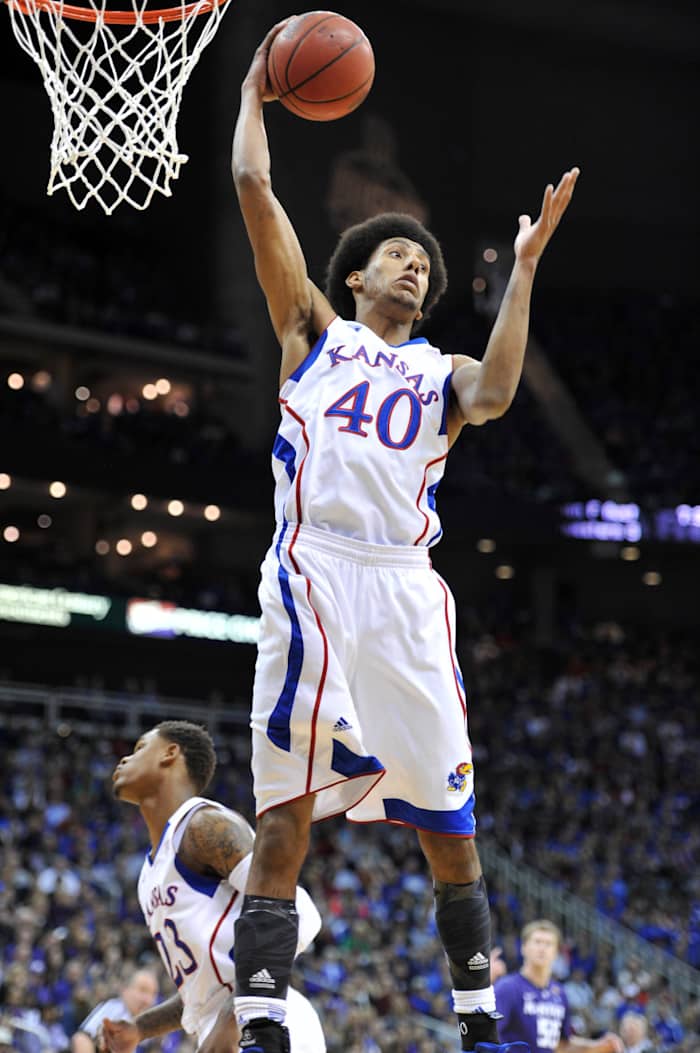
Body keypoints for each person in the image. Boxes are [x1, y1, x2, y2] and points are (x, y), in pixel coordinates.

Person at [231, 18, 581, 1053]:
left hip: (405, 584)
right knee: (286, 810)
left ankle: (478, 1022)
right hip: (315, 568)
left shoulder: (440, 375)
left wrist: (520, 270)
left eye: (425, 262)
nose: (414, 266)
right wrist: (253, 96)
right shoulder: (311, 332)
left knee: (450, 826)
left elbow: (503, 388)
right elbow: (257, 195)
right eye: (396, 254)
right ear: (353, 279)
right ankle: (259, 1025)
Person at [96, 721, 325, 1053]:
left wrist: (237, 1013)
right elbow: (201, 993)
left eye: (139, 749)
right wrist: (139, 1029)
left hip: (267, 1021)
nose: (124, 761)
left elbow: (299, 914)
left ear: (170, 753)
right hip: (226, 1027)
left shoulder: (204, 827)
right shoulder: (149, 875)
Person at [494, 921, 623, 1053]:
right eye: (537, 942)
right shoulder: (507, 988)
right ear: (523, 947)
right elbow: (490, 1036)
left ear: (556, 953)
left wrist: (596, 1046)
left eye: (548, 944)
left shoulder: (559, 993)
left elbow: (561, 1044)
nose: (542, 948)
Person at [71, 968, 159, 1052]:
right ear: (125, 989)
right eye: (142, 990)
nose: (147, 1000)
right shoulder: (115, 1008)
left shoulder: (146, 1025)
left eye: (152, 994)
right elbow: (82, 1040)